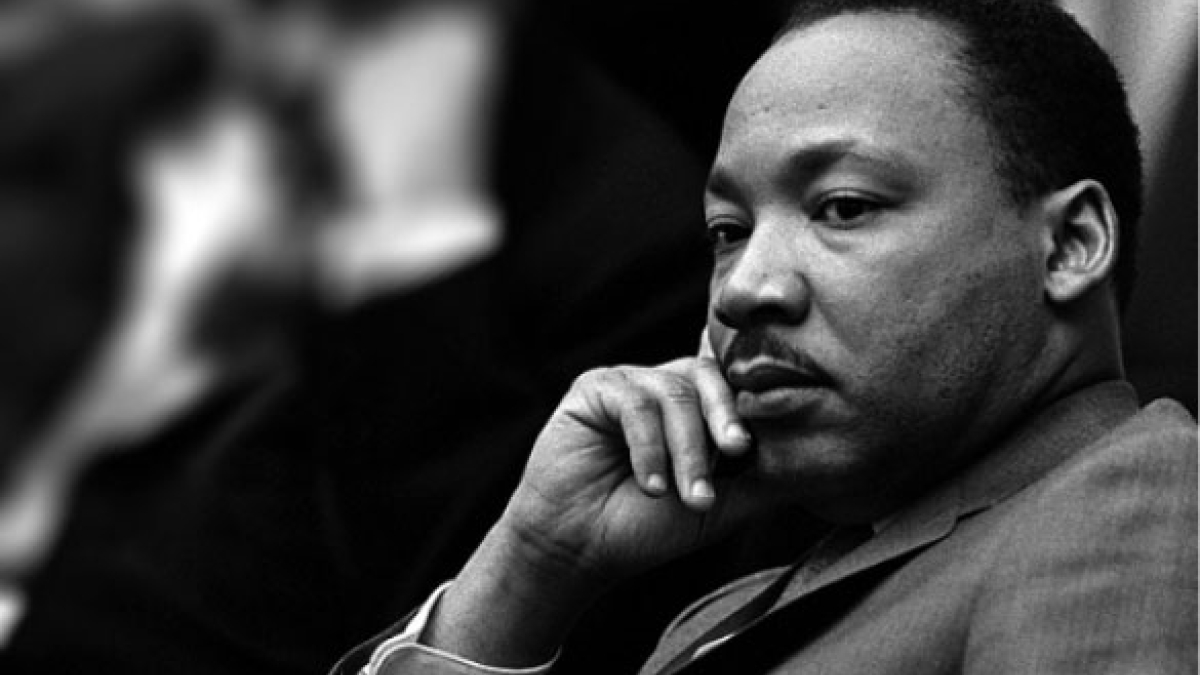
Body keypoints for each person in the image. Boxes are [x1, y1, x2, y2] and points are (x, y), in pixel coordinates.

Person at [332, 1, 1197, 673]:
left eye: (843, 207)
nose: (745, 288)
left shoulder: (1134, 498)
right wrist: (530, 564)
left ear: (1071, 244)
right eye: (726, 230)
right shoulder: (729, 608)